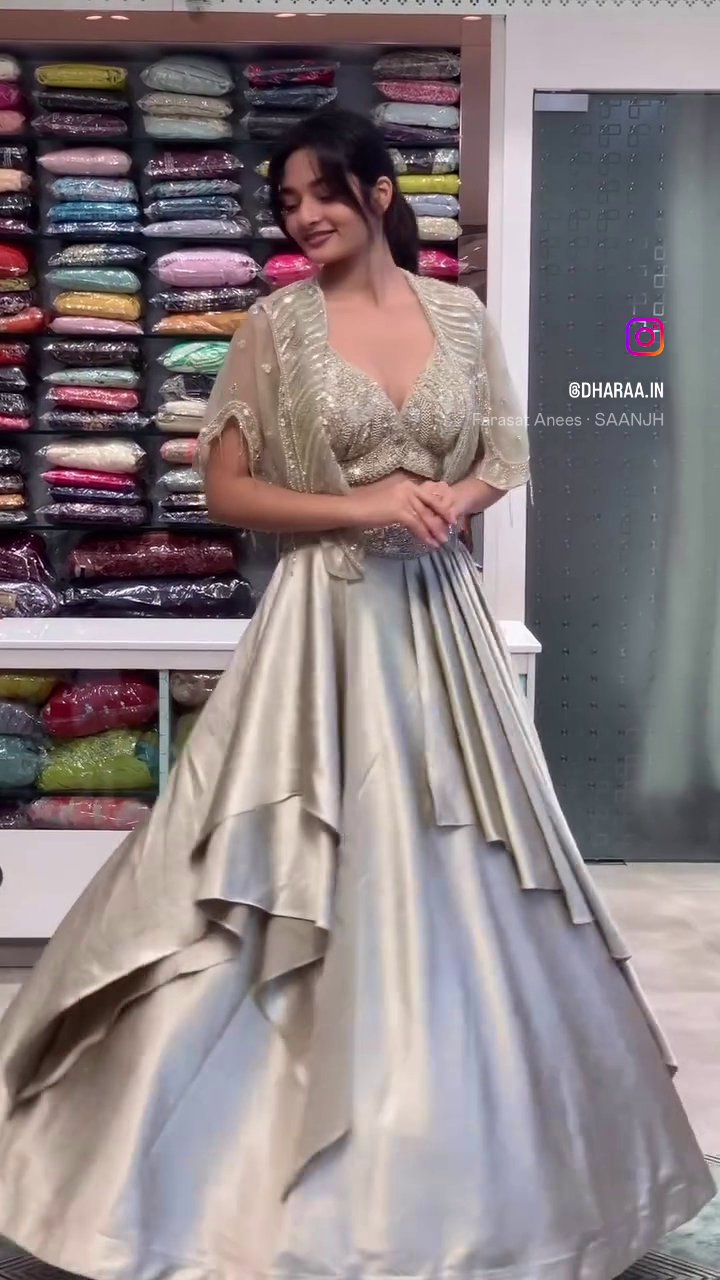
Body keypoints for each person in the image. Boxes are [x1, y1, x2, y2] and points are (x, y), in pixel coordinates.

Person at [0, 107, 712, 1280]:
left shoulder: (460, 316)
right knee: (276, 857)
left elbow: (504, 455)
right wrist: (363, 505)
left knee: (480, 860)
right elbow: (228, 490)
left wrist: (451, 501)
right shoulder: (274, 327)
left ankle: (494, 1179)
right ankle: (191, 1181)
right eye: (287, 202)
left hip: (440, 624)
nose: (303, 217)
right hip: (324, 622)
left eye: (322, 193)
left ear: (380, 192)